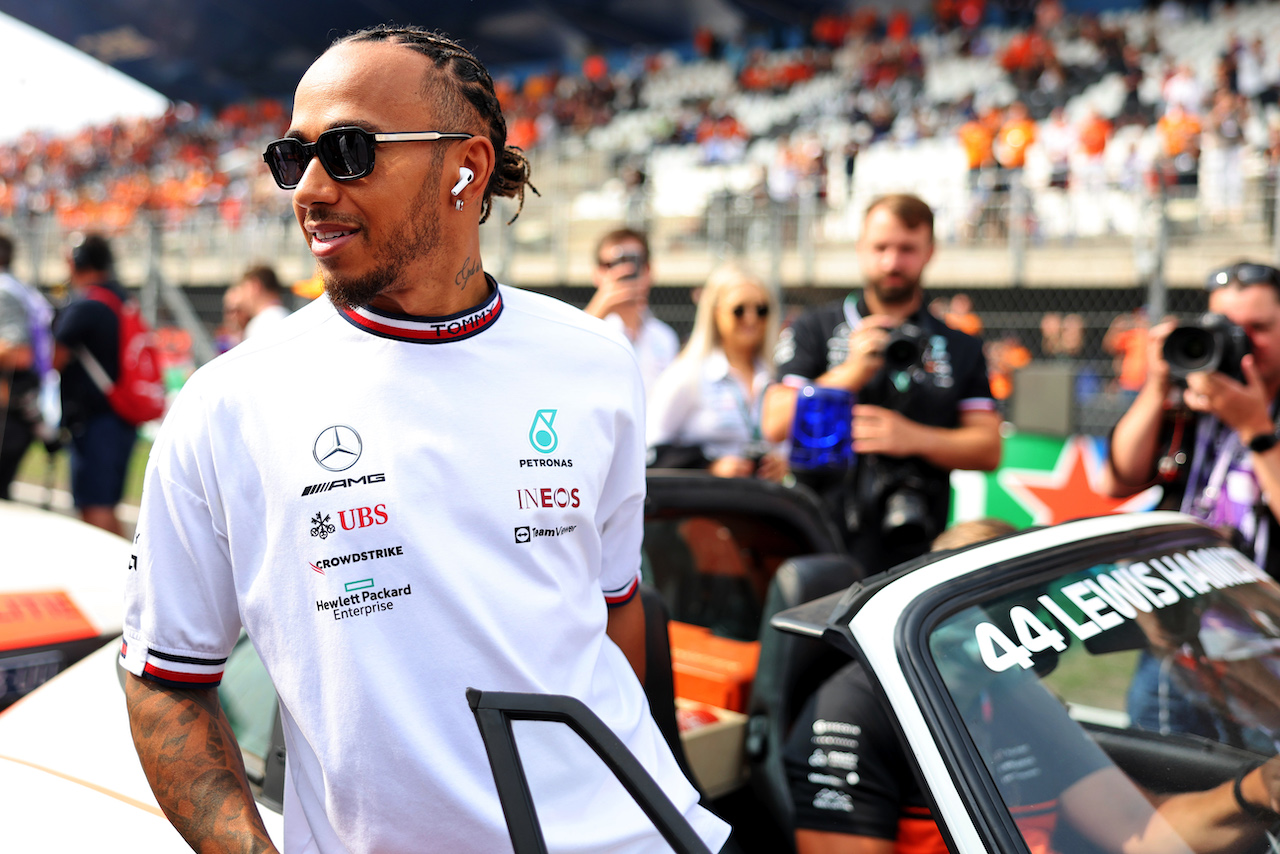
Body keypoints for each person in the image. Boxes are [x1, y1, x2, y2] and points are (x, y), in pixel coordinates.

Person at [120, 25, 728, 854]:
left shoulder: (594, 361)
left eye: (350, 150)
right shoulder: (227, 403)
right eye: (294, 158)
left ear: (467, 166)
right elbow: (165, 682)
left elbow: (613, 611)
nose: (310, 189)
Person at [785, 519, 1280, 854]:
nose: (983, 652)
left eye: (997, 627)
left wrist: (1257, 791)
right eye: (959, 626)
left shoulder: (1014, 692)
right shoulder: (851, 713)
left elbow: (1142, 833)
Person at [761, 194, 1001, 574]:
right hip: (818, 537)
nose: (892, 262)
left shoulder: (960, 345)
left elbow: (989, 450)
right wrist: (850, 372)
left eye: (907, 249)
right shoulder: (815, 327)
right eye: (881, 247)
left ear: (929, 252)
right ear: (860, 248)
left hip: (916, 544)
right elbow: (773, 422)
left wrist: (915, 438)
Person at [1103, 261, 1280, 741]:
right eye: (1226, 327)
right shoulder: (1189, 396)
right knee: (1165, 786)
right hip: (1177, 640)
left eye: (1258, 329)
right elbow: (1117, 479)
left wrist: (1255, 428)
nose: (1240, 341)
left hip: (1267, 657)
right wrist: (1159, 384)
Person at [647, 261, 787, 480]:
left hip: (763, 505)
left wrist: (781, 464)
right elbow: (649, 448)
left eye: (761, 310)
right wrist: (707, 466)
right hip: (703, 506)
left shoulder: (777, 375)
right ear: (715, 312)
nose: (751, 319)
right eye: (739, 310)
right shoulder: (687, 373)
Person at [51, 234, 136, 535]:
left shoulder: (87, 304)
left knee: (95, 509)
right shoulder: (120, 296)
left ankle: (114, 580)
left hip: (96, 420)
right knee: (106, 505)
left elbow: (53, 359)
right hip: (121, 414)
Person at [585, 227, 679, 395]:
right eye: (612, 264)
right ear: (597, 273)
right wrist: (598, 310)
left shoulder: (664, 337)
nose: (624, 271)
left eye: (633, 262)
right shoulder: (585, 329)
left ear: (648, 270)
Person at [0, 233, 54, 499]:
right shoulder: (19, 287)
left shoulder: (4, 290)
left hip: (11, 407)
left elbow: (20, 354)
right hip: (23, 401)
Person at [233, 264, 290, 340]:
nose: (242, 298)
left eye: (244, 288)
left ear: (255, 286)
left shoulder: (261, 324)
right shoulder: (286, 316)